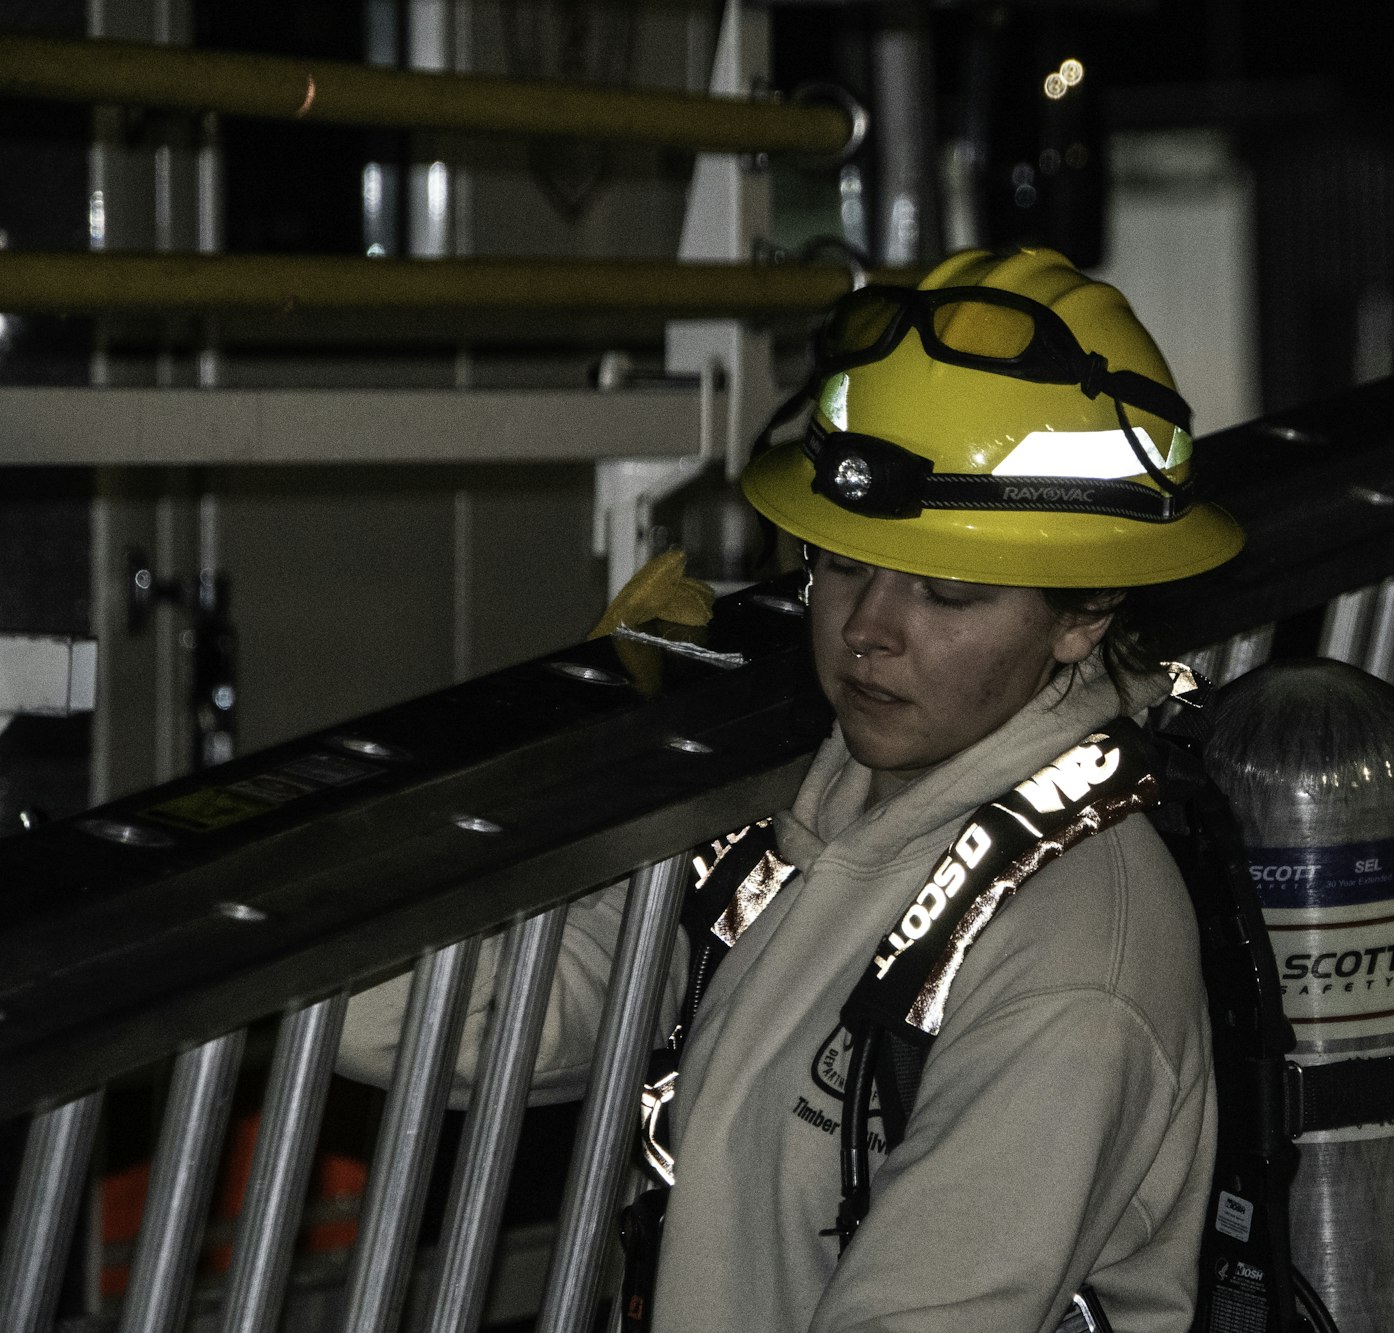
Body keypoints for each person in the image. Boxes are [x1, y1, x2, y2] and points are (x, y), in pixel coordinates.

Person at [340, 246, 1244, 1332]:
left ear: (1081, 618)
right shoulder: (794, 815)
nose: (869, 629)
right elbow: (456, 1021)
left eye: (947, 590)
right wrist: (551, 788)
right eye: (844, 563)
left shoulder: (1073, 958)